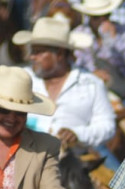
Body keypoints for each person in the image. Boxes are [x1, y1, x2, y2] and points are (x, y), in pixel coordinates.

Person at [13, 17, 119, 163]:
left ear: (59, 54)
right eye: (33, 51)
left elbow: (107, 126)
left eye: (39, 52)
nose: (32, 57)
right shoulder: (21, 78)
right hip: (25, 158)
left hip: (74, 161)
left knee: (117, 176)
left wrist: (78, 134)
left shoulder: (90, 83)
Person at [72, 0, 125, 97]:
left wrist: (115, 39)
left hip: (121, 91)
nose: (102, 21)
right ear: (90, 17)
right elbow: (75, 66)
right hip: (89, 91)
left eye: (106, 16)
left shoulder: (121, 31)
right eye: (96, 17)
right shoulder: (79, 34)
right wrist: (92, 74)